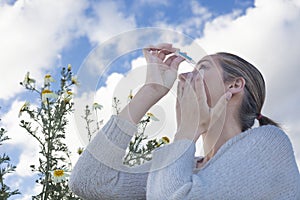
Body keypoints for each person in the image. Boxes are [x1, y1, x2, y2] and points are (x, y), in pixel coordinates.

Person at [69, 43, 300, 199]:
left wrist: (188, 130)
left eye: (202, 68)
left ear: (234, 85)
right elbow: (89, 181)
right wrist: (150, 91)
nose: (183, 76)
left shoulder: (270, 143)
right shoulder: (185, 165)